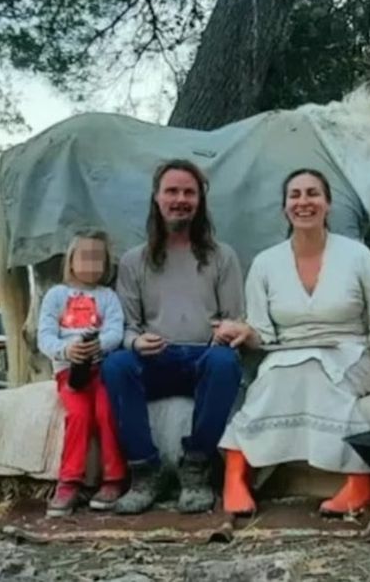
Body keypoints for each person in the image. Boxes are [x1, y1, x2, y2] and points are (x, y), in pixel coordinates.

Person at [215, 168, 370, 517]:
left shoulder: (358, 255)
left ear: (328, 204)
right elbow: (261, 332)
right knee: (274, 379)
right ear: (285, 206)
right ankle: (235, 474)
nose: (304, 202)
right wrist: (243, 332)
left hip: (349, 354)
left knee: (315, 371)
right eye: (295, 195)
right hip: (284, 355)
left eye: (313, 194)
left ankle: (358, 481)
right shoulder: (265, 263)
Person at [101, 159, 246, 515]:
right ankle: (144, 471)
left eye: (189, 192)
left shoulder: (222, 257)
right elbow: (127, 325)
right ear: (157, 197)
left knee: (226, 362)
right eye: (172, 191)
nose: (180, 199)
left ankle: (196, 468)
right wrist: (136, 342)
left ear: (200, 201)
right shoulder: (135, 261)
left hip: (203, 359)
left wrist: (226, 333)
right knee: (117, 364)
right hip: (156, 359)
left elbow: (234, 319)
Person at [35, 229, 126, 517]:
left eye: (98, 258)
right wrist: (66, 350)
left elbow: (115, 331)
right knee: (79, 415)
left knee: (106, 411)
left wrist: (99, 344)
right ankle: (69, 481)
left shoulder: (108, 297)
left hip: (102, 369)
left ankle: (114, 479)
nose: (91, 264)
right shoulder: (56, 295)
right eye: (84, 257)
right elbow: (45, 336)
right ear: (71, 260)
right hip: (70, 372)